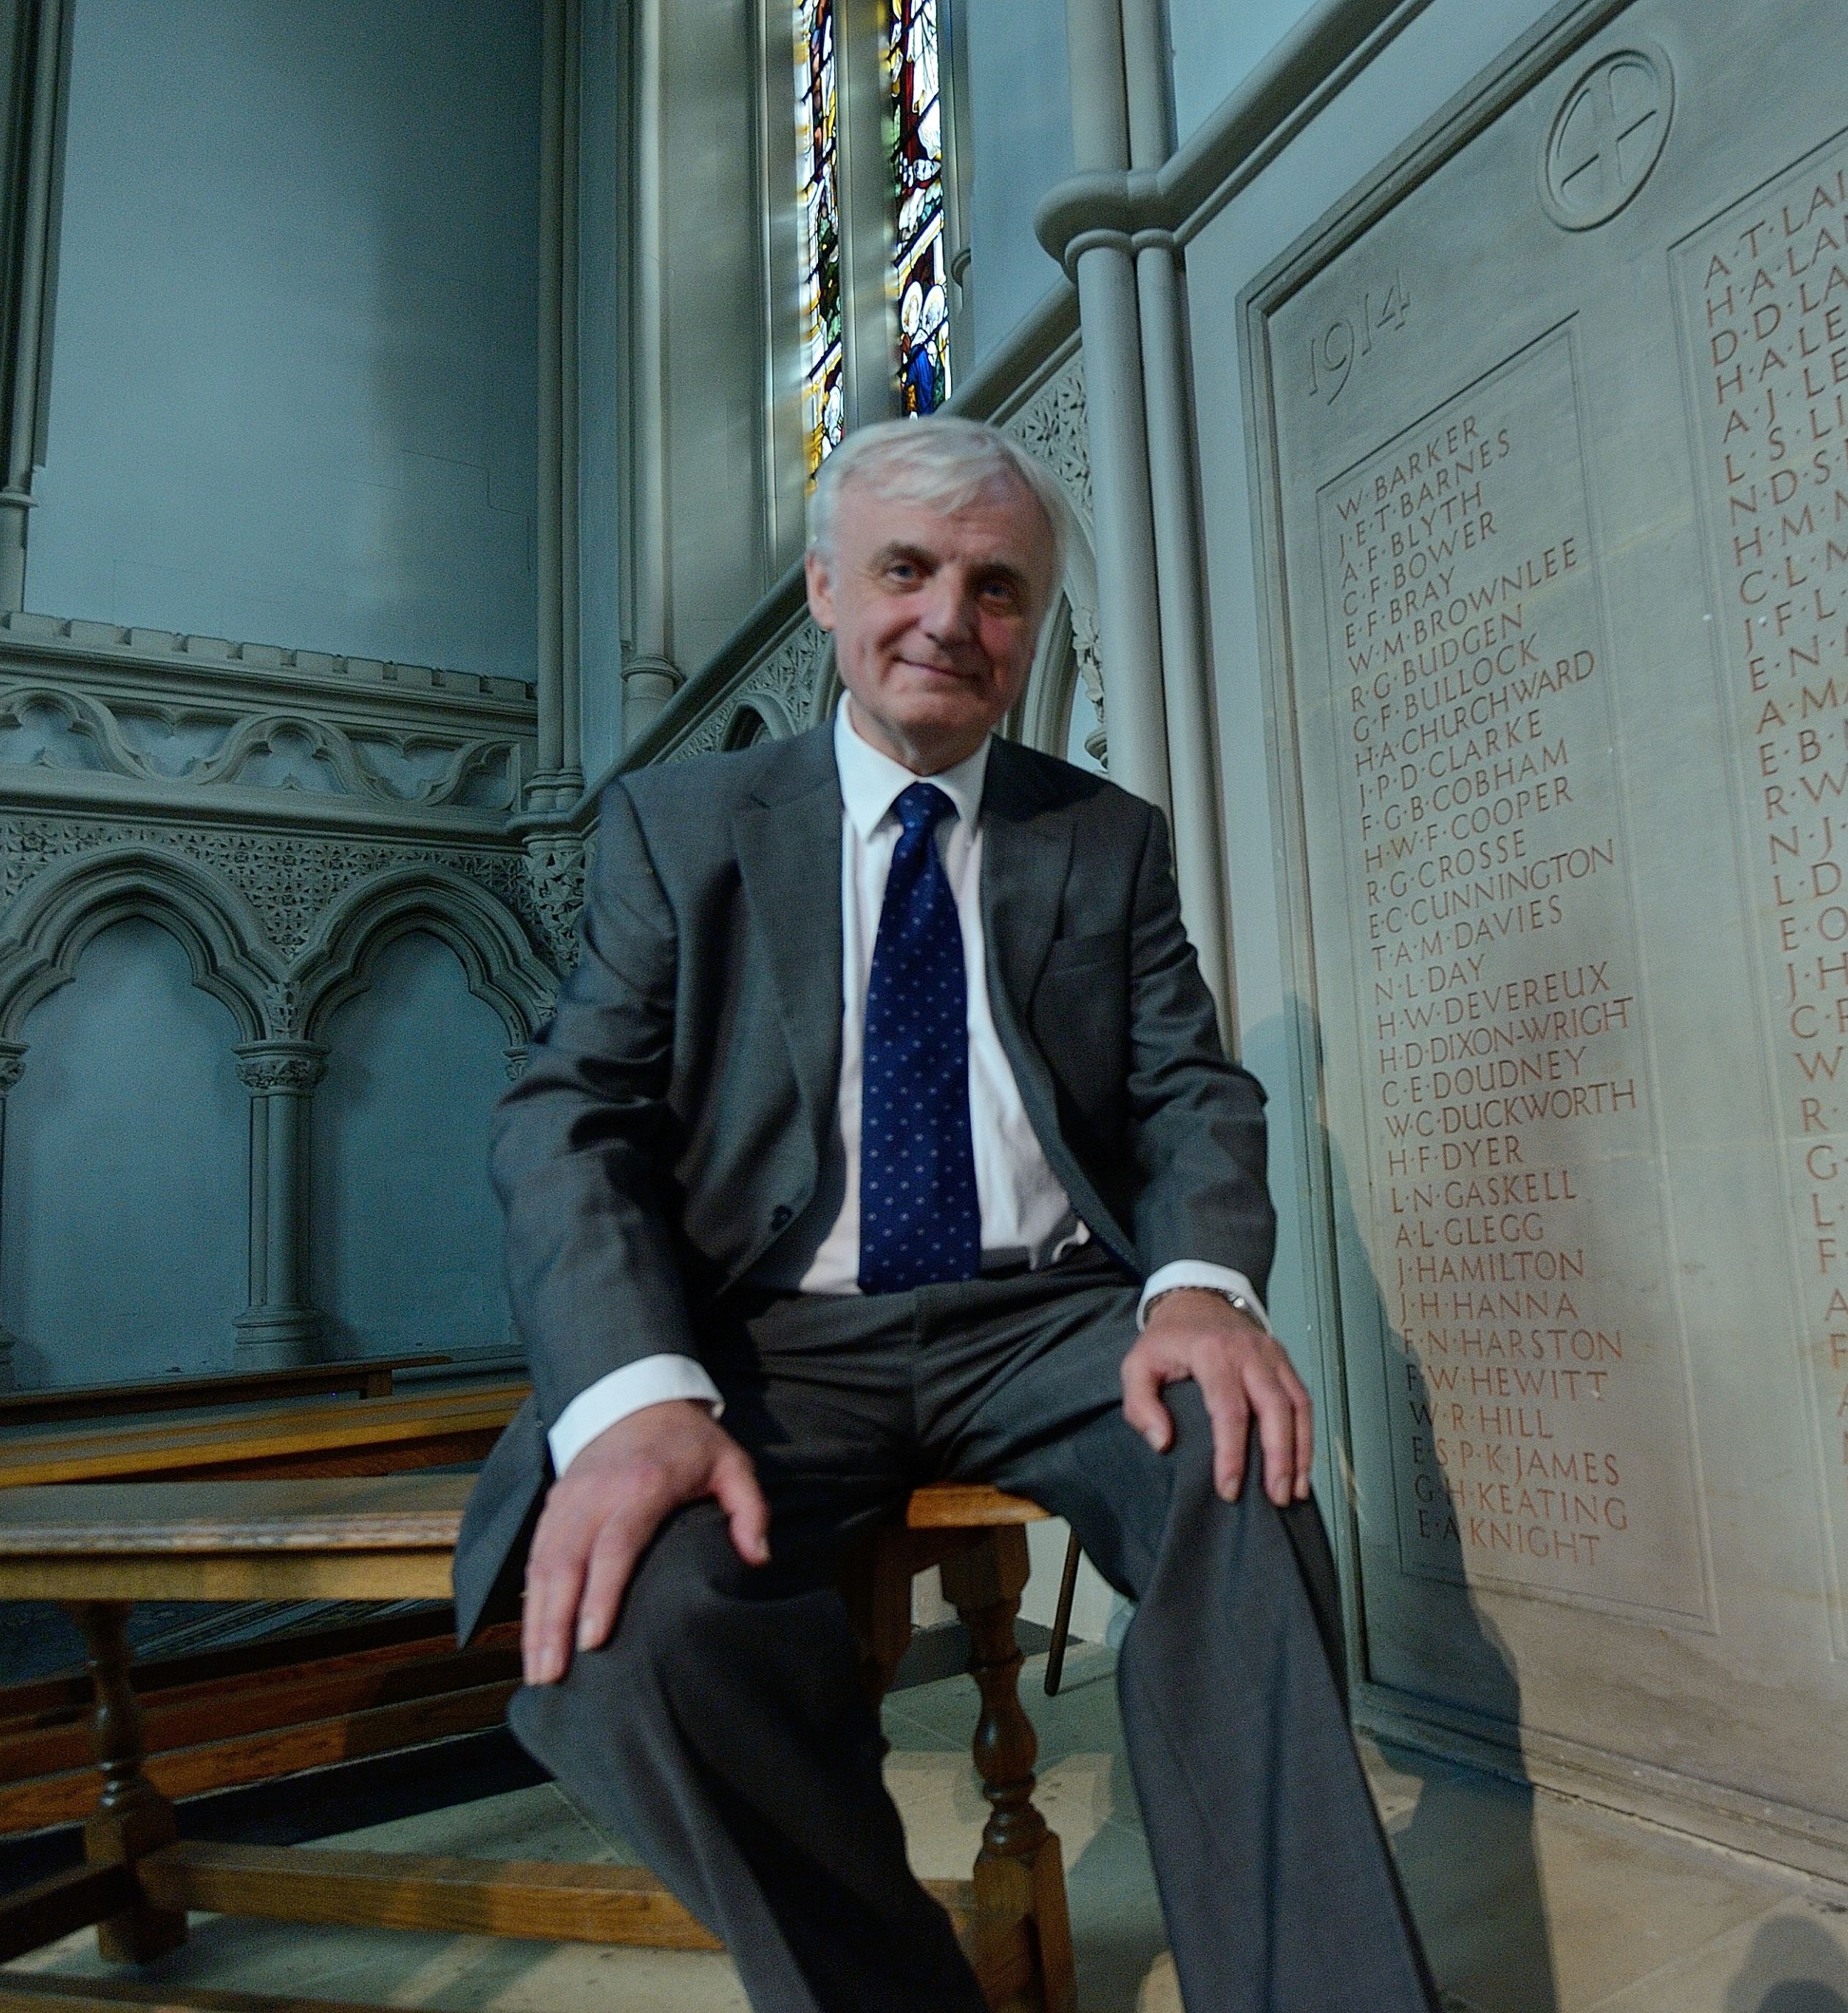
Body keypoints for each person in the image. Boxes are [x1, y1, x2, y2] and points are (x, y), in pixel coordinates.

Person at [456, 414, 1443, 2013]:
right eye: (906, 571)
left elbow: (1193, 1087)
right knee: (641, 1631)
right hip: (776, 1338)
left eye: (997, 589)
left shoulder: (1097, 838)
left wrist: (1200, 1288)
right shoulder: (684, 826)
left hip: (1044, 1322)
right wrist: (632, 1394)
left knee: (1234, 1470)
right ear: (827, 592)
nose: (948, 618)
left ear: (1031, 626)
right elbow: (569, 1113)